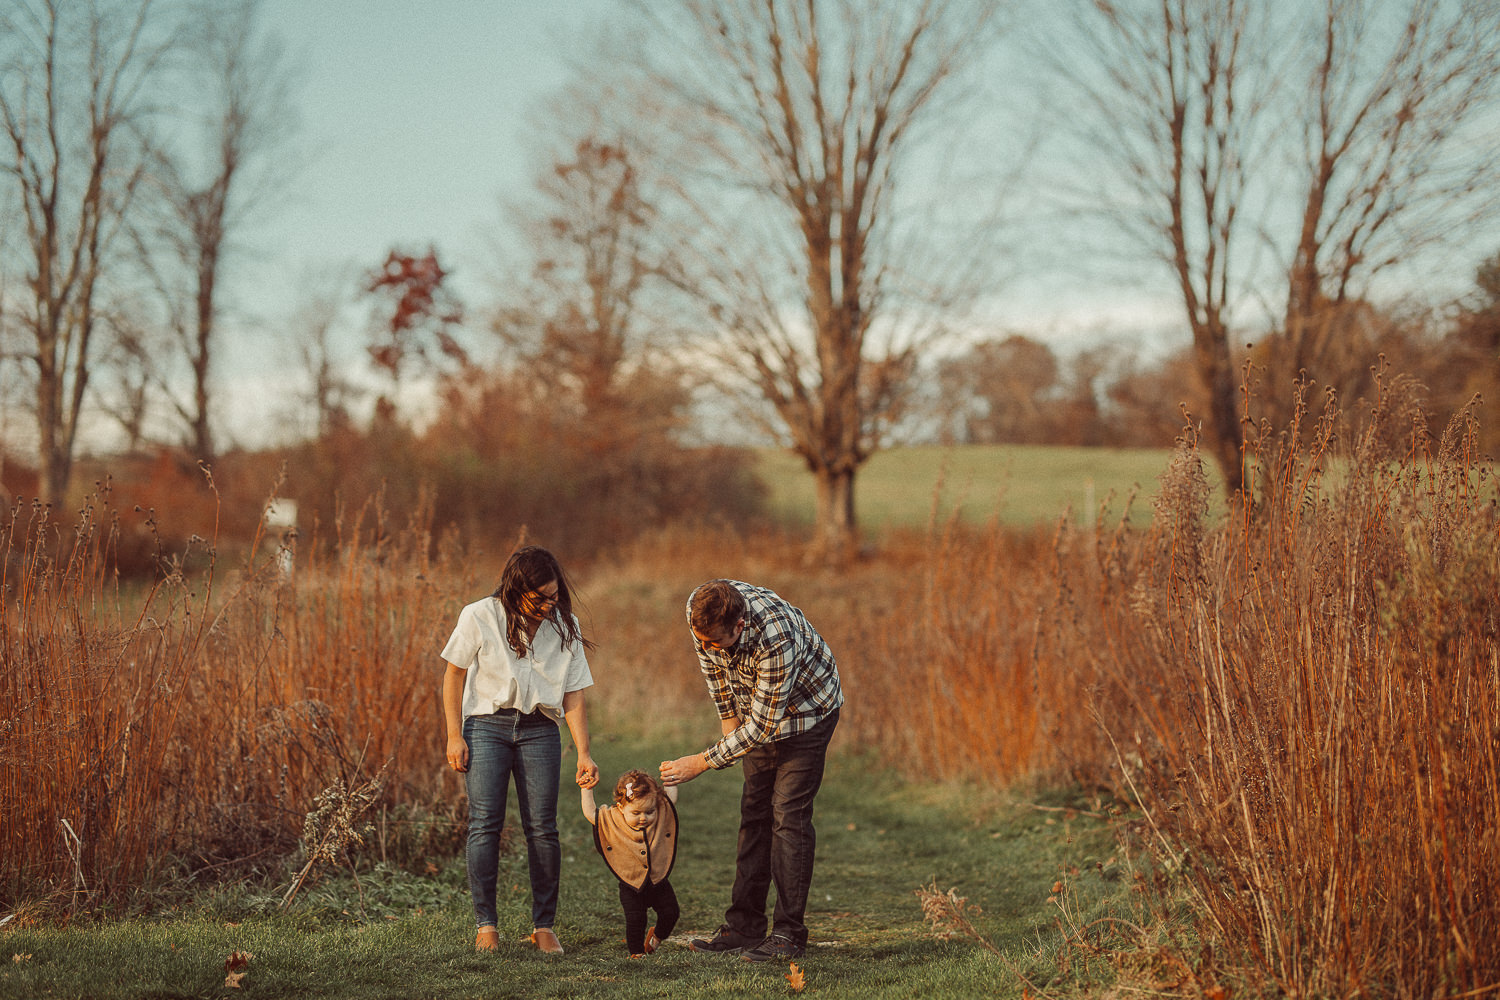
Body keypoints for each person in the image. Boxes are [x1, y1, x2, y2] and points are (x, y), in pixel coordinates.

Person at [659, 579, 843, 963]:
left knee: (787, 816)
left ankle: (789, 934)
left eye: (717, 641)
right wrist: (727, 717)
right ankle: (743, 926)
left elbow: (761, 729)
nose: (707, 647)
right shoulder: (700, 608)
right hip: (757, 713)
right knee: (754, 813)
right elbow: (712, 667)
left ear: (739, 625)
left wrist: (704, 761)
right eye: (702, 639)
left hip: (808, 713)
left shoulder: (776, 640)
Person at [441, 545, 600, 955]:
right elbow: (453, 675)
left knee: (543, 830)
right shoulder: (479, 615)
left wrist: (584, 752)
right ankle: (486, 926)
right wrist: (453, 735)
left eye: (554, 596)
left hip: (540, 730)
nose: (549, 605)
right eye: (540, 597)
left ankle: (544, 927)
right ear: (516, 589)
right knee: (485, 825)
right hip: (485, 727)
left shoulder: (565, 625)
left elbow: (574, 693)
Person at [580, 769, 682, 958]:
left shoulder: (659, 813)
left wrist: (670, 780)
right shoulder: (613, 819)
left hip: (658, 880)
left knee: (671, 913)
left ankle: (656, 938)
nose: (643, 818)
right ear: (621, 807)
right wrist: (586, 788)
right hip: (630, 884)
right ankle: (636, 953)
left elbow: (670, 801)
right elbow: (590, 813)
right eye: (636, 812)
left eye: (649, 812)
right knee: (636, 919)